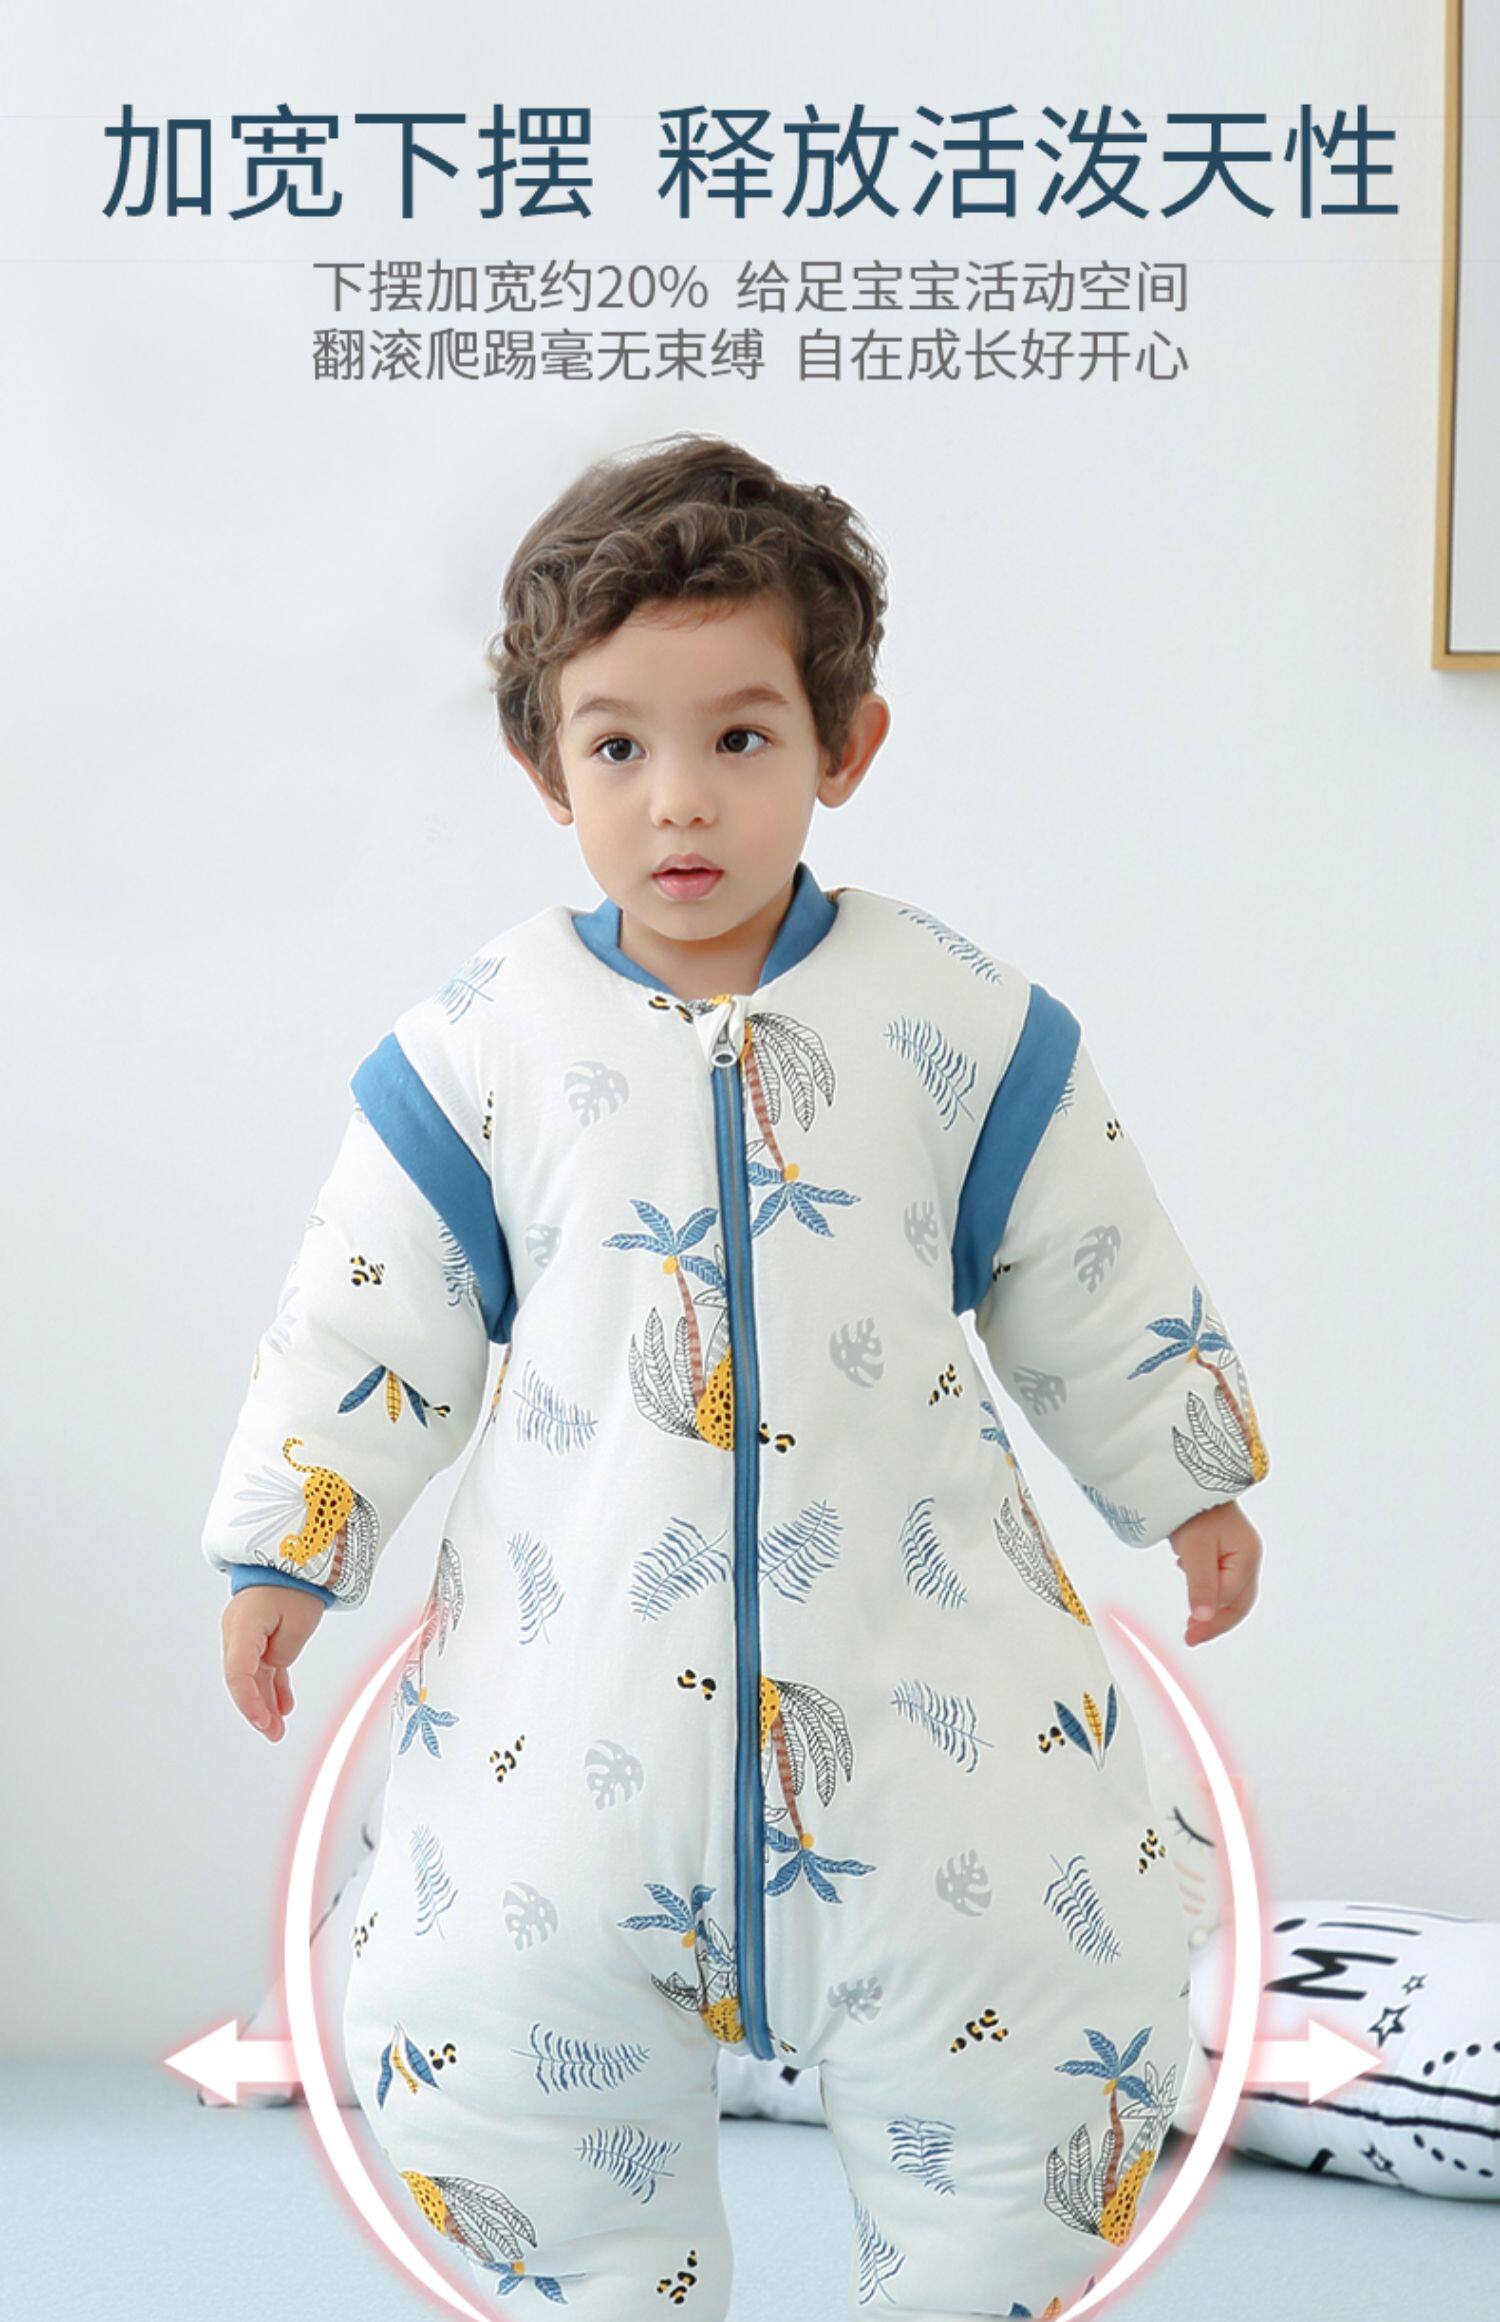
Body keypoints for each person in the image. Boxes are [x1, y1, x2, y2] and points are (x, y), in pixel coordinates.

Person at [203, 433, 1267, 2319]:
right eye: (617, 745)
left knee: (1036, 2058)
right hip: (566, 1715)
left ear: (845, 746)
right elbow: (368, 1320)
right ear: (544, 766)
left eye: (742, 737)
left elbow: (1087, 1259)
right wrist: (291, 1542)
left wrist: (1188, 1472)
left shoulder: (952, 1020)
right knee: (500, 2046)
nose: (678, 797)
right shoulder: (487, 1043)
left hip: (934, 1712)